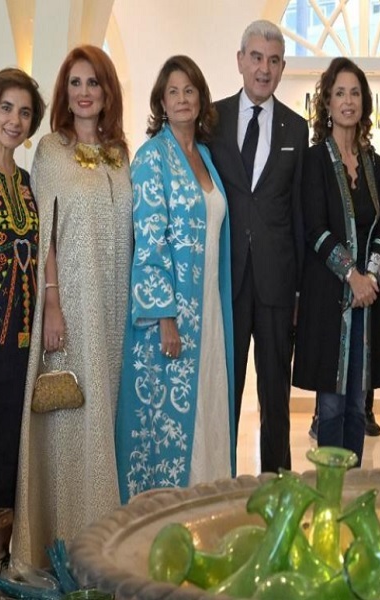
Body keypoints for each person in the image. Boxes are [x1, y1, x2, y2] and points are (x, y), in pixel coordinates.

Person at [12, 45, 132, 565]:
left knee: (105, 415)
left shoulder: (120, 154)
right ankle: (61, 543)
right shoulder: (50, 151)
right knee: (68, 417)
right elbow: (46, 237)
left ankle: (103, 540)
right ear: (65, 92)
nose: (84, 93)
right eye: (76, 83)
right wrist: (53, 303)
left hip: (115, 308)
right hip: (70, 306)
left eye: (93, 83)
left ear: (107, 92)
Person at [116, 55, 235, 503]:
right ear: (161, 103)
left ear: (201, 98)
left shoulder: (205, 156)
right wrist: (165, 316)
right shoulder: (152, 158)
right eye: (173, 92)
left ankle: (206, 508)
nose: (182, 99)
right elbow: (149, 241)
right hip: (170, 318)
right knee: (168, 423)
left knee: (208, 407)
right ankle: (165, 516)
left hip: (208, 309)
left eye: (189, 90)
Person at [208, 20, 308, 473]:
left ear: (282, 68)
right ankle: (221, 487)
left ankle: (278, 490)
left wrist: (299, 290)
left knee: (275, 400)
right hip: (226, 282)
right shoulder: (212, 120)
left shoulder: (296, 129)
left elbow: (298, 213)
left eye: (273, 60)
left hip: (276, 285)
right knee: (224, 397)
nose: (264, 69)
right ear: (240, 61)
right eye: (256, 58)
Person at [294, 57, 380, 466]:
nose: (348, 101)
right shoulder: (314, 160)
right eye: (339, 93)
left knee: (357, 406)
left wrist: (371, 278)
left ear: (364, 103)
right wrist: (352, 276)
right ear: (327, 103)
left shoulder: (376, 165)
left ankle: (352, 492)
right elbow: (315, 229)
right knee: (331, 407)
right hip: (329, 300)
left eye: (355, 93)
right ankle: (329, 496)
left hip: (367, 304)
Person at [0, 68, 45, 580]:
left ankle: (2, 556)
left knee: (13, 442)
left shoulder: (27, 183)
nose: (14, 121)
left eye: (24, 112)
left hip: (20, 339)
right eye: (6, 109)